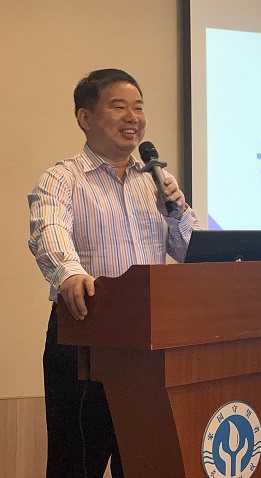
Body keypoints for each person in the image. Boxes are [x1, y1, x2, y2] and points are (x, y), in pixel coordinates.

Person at [28, 68, 200, 478]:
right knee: (76, 463)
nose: (133, 118)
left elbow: (189, 252)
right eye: (119, 107)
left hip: (152, 340)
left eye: (138, 107)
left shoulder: (157, 181)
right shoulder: (63, 178)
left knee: (145, 462)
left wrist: (176, 214)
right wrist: (69, 273)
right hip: (86, 335)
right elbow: (48, 231)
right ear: (85, 117)